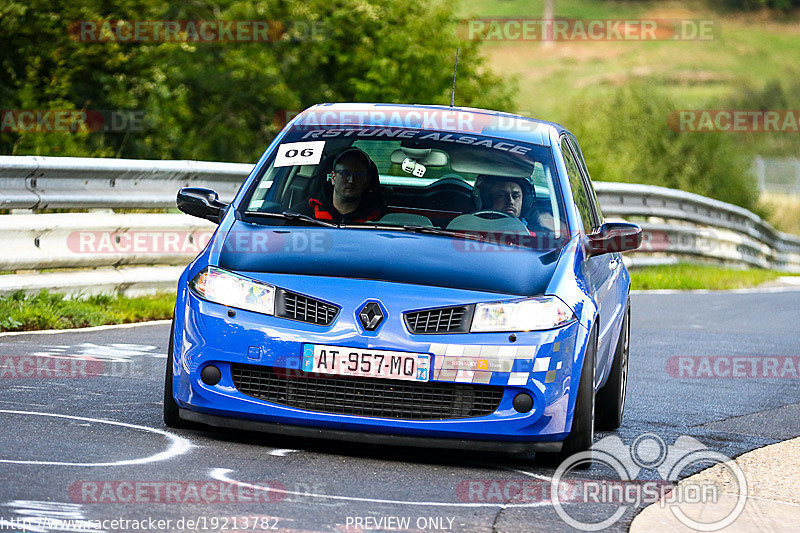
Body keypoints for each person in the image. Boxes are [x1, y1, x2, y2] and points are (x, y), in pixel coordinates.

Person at [293, 148, 387, 223]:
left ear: (366, 181)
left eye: (358, 174)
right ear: (333, 177)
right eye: (345, 173)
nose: (351, 180)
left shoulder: (380, 221)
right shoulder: (303, 216)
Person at [472, 174, 555, 232]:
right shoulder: (472, 229)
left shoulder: (534, 236)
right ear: (487, 201)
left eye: (516, 196)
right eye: (501, 195)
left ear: (525, 200)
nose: (510, 201)